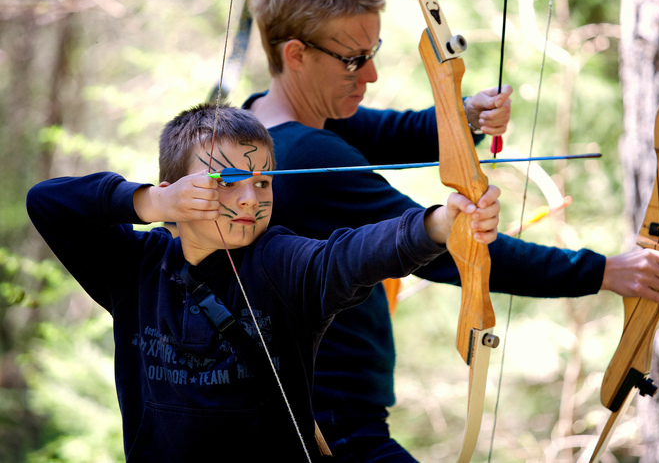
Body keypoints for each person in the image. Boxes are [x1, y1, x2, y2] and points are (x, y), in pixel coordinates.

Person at [243, 0, 659, 462]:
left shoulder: (261, 125)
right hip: (329, 427)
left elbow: (388, 131)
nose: (372, 75)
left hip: (304, 413)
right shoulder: (311, 158)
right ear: (296, 54)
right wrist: (606, 272)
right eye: (354, 60)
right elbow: (455, 250)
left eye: (374, 51)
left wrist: (464, 117)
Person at [26, 103, 502, 462]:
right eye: (227, 180)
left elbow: (347, 256)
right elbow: (47, 202)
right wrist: (150, 203)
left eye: (264, 182)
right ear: (176, 187)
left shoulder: (281, 262)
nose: (251, 198)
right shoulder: (136, 268)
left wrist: (438, 225)